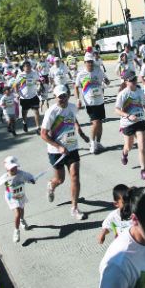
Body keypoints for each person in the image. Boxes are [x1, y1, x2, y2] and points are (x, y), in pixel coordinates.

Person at [40, 85, 90, 221]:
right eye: (59, 96)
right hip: (56, 151)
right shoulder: (51, 112)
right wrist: (59, 146)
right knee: (60, 179)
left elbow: (74, 120)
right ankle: (51, 185)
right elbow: (43, 134)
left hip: (72, 148)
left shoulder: (73, 107)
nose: (62, 98)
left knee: (75, 176)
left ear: (68, 95)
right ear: (55, 97)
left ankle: (74, 208)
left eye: (64, 95)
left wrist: (82, 134)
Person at [115, 70, 145, 181]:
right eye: (131, 80)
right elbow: (116, 110)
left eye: (135, 79)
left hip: (139, 121)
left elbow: (144, 105)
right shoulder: (123, 94)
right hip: (127, 124)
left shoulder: (139, 91)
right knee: (129, 146)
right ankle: (124, 153)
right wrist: (128, 116)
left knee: (142, 147)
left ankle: (143, 171)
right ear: (125, 82)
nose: (134, 81)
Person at [0, 155, 36, 243]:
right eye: (11, 168)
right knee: (17, 213)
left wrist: (32, 180)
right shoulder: (5, 177)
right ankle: (16, 231)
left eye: (15, 167)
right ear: (7, 169)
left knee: (22, 209)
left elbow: (29, 177)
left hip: (21, 195)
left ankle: (22, 220)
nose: (14, 169)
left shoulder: (21, 173)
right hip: (11, 197)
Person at [75, 52, 111, 154]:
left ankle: (98, 143)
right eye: (88, 62)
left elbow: (107, 80)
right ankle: (92, 143)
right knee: (95, 123)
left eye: (91, 61)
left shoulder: (98, 70)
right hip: (90, 103)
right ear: (84, 62)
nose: (90, 64)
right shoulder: (81, 74)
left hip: (100, 101)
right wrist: (78, 99)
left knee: (100, 123)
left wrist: (107, 82)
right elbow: (76, 87)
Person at [14, 61, 42, 134]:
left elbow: (37, 81)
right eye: (26, 66)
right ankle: (24, 122)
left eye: (29, 66)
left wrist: (39, 87)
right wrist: (17, 94)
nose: (28, 67)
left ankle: (38, 127)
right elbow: (16, 85)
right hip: (24, 98)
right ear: (23, 68)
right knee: (24, 113)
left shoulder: (34, 73)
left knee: (36, 111)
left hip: (33, 95)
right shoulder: (20, 75)